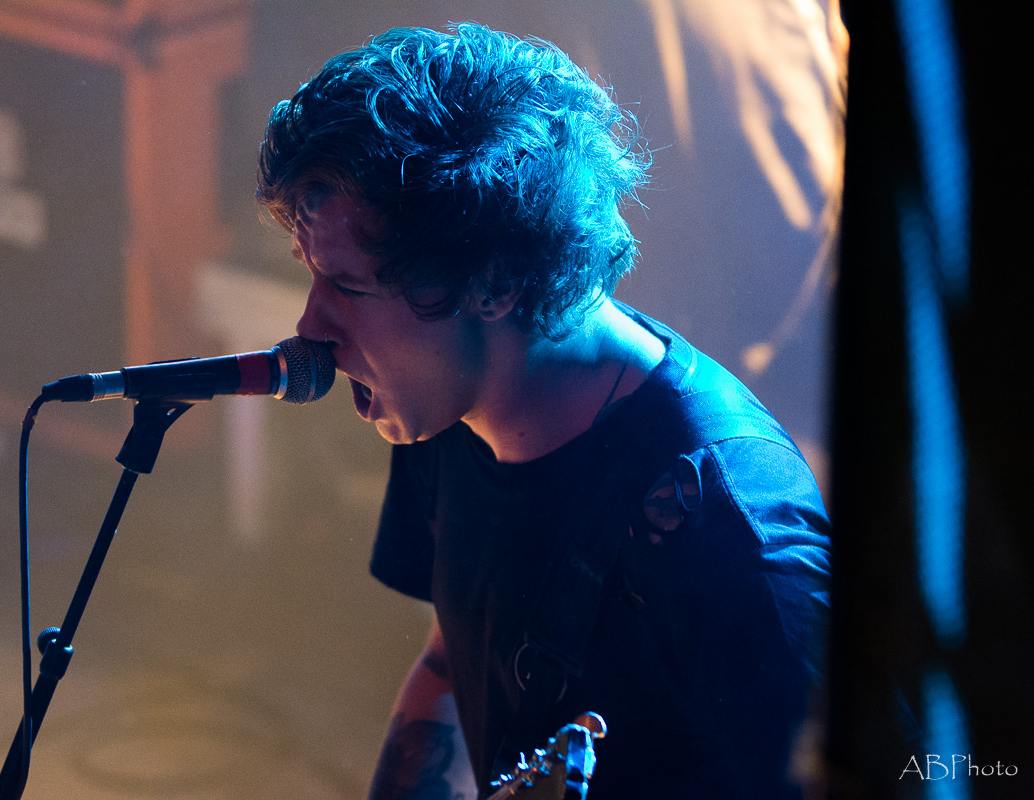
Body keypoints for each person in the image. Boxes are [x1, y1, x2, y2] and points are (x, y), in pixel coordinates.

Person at [256, 23, 831, 800]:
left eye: (350, 287)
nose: (309, 326)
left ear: (493, 283)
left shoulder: (729, 525)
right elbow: (451, 660)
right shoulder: (446, 406)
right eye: (313, 275)